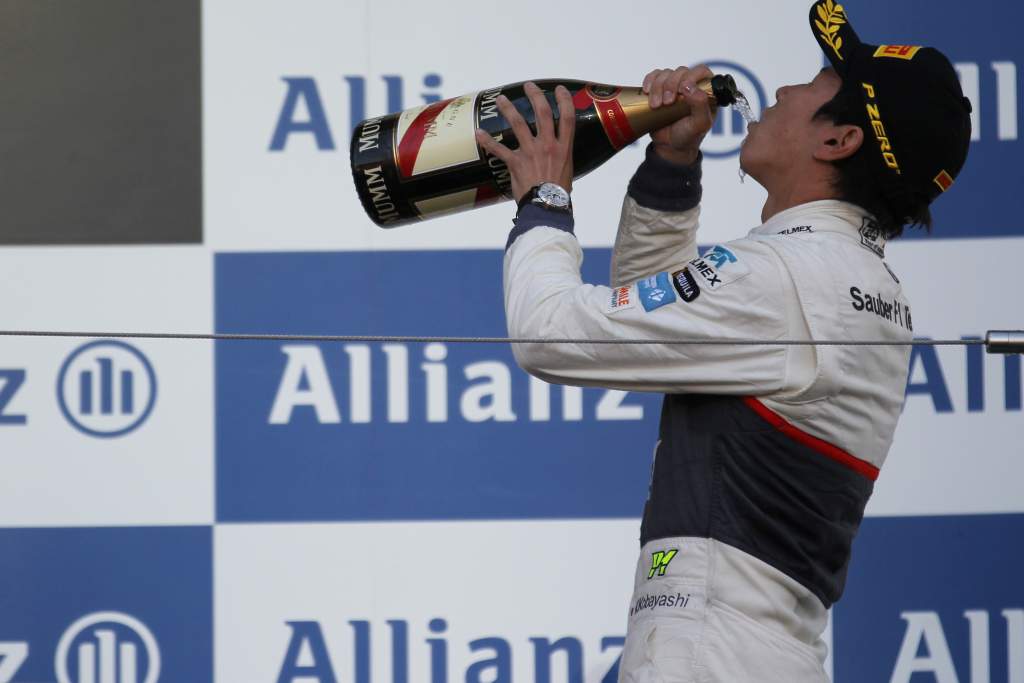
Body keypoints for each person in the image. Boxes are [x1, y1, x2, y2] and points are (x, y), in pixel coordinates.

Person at [475, 1, 972, 681]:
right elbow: (648, 336)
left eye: (817, 84)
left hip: (708, 651)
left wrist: (544, 197)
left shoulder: (790, 277)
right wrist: (672, 164)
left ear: (839, 140)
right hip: (738, 645)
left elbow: (550, 334)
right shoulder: (844, 275)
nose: (787, 90)